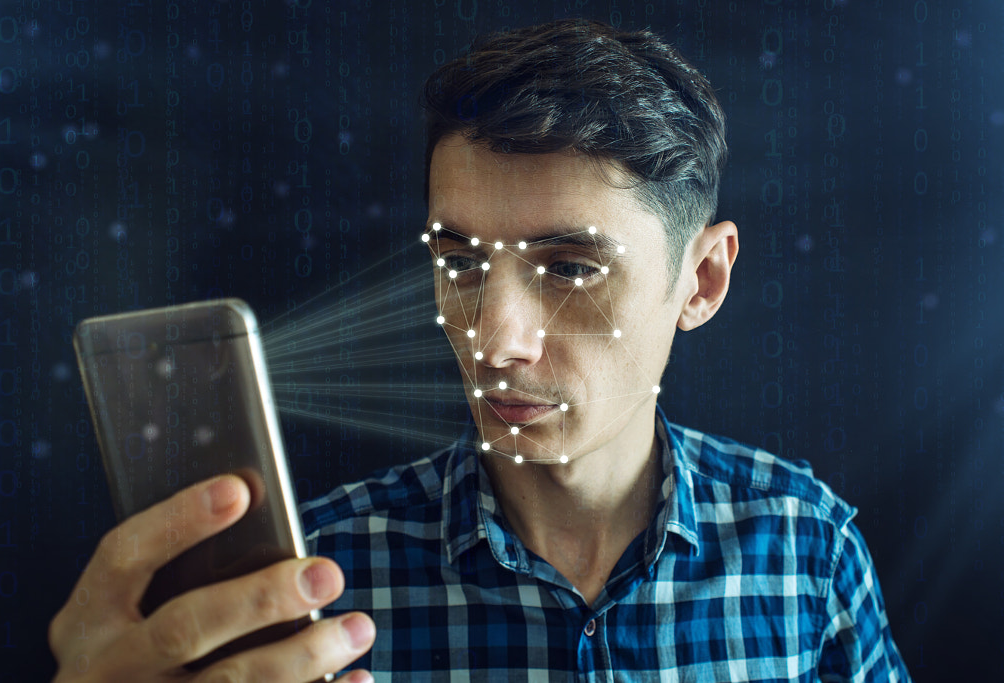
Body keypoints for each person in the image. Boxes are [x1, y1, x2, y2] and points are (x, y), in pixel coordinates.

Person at [50, 19, 912, 683]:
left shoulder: (807, 547)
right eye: (460, 262)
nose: (494, 343)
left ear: (703, 281)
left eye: (570, 267)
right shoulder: (314, 582)